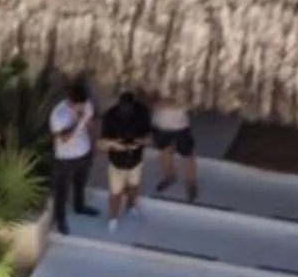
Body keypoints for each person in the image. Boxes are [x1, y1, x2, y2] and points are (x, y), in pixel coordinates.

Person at [47, 78, 98, 233]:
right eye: (79, 103)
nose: (82, 106)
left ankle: (79, 207)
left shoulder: (87, 104)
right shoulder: (58, 114)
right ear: (70, 98)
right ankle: (60, 219)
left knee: (80, 184)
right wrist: (77, 120)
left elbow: (90, 124)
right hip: (65, 158)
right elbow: (63, 138)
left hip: (84, 152)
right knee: (62, 191)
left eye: (83, 102)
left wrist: (93, 145)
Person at [102, 88, 154, 222]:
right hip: (116, 161)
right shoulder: (110, 115)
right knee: (115, 192)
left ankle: (131, 206)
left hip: (136, 159)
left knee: (134, 186)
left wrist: (139, 141)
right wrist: (116, 144)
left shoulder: (142, 112)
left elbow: (149, 137)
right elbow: (103, 142)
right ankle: (113, 218)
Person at [148, 98, 198, 201]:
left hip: (181, 127)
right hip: (159, 126)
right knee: (164, 152)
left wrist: (169, 103)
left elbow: (193, 103)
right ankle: (169, 177)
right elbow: (149, 101)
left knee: (187, 155)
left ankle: (191, 184)